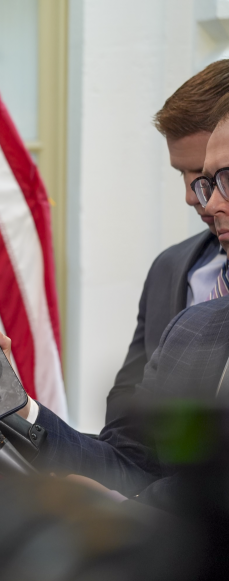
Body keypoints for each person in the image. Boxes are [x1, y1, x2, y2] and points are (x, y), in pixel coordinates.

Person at [0, 95, 229, 502]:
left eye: (223, 178)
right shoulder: (190, 327)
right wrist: (19, 412)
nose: (205, 201)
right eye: (202, 180)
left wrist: (126, 517)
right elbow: (132, 465)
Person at [106, 60, 229, 423]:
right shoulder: (169, 268)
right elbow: (125, 421)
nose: (194, 197)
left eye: (207, 174)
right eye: (186, 174)